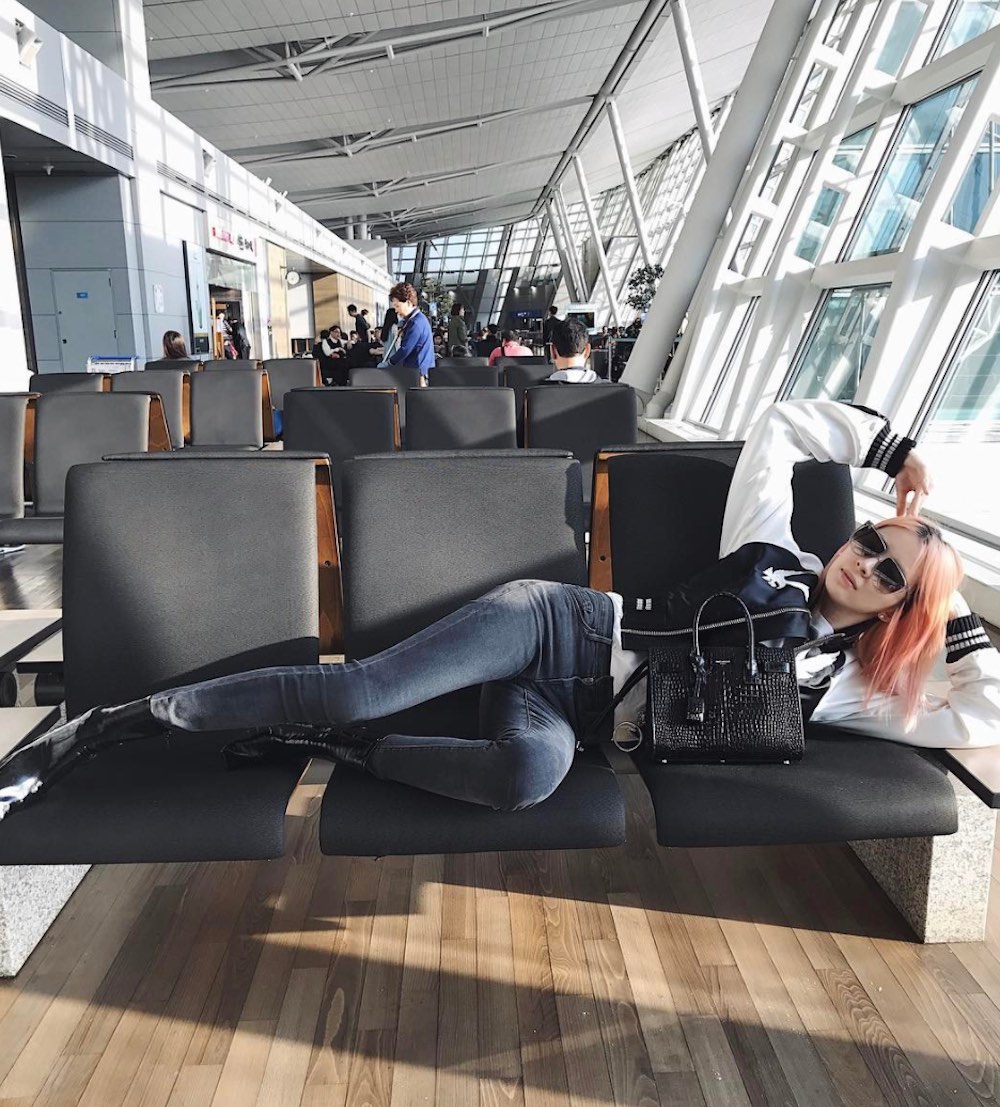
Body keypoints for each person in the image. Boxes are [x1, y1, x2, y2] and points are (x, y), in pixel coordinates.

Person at [0, 402, 996, 819]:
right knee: (361, 689)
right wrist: (890, 448)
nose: (865, 559)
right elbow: (777, 425)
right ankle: (111, 724)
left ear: (900, 613)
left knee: (528, 776)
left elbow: (981, 710)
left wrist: (949, 597)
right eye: (872, 539)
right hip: (558, 625)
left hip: (571, 714)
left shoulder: (847, 689)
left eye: (890, 575)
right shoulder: (774, 553)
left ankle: (333, 750)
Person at [378, 282, 434, 380]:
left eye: (397, 306)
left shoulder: (416, 323)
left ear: (408, 302)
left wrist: (390, 363)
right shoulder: (414, 320)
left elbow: (405, 349)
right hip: (416, 370)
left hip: (418, 374)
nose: (396, 310)